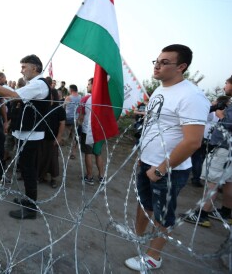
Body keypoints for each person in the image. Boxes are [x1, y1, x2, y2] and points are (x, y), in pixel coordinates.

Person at [124, 44, 210, 271]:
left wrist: (161, 168)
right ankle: (139, 237)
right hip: (148, 160)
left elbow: (193, 141)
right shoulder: (161, 89)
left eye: (165, 62)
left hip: (169, 169)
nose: (158, 66)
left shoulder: (191, 96)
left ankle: (153, 257)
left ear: (181, 67)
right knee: (144, 205)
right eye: (157, 61)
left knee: (163, 214)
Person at [0, 54, 51, 220]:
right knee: (26, 168)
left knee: (28, 169)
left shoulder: (38, 85)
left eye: (24, 66)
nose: (21, 70)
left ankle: (31, 208)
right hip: (26, 133)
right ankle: (28, 199)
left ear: (35, 68)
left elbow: (12, 95)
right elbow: (13, 92)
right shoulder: (33, 84)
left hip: (31, 135)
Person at [182, 76, 232, 227]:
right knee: (229, 182)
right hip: (228, 151)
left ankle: (202, 215)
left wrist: (221, 114)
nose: (224, 86)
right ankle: (225, 212)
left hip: (223, 148)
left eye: (226, 83)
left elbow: (228, 124)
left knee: (212, 182)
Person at [78, 78, 104, 185]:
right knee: (98, 153)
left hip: (87, 130)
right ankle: (102, 176)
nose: (87, 86)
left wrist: (78, 124)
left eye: (89, 84)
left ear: (94, 85)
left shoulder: (86, 99)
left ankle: (89, 177)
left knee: (88, 153)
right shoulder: (103, 99)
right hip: (99, 130)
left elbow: (81, 115)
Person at [38, 88, 66, 188]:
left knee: (53, 159)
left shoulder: (59, 109)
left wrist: (58, 137)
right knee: (43, 157)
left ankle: (53, 179)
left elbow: (62, 124)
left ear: (53, 96)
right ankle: (43, 176)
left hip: (53, 138)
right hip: (43, 137)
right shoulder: (45, 107)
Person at [63, 84, 81, 159]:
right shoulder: (81, 97)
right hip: (76, 119)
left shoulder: (68, 97)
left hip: (68, 119)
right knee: (75, 137)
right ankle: (73, 153)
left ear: (71, 90)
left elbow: (63, 107)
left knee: (64, 135)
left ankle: (57, 151)